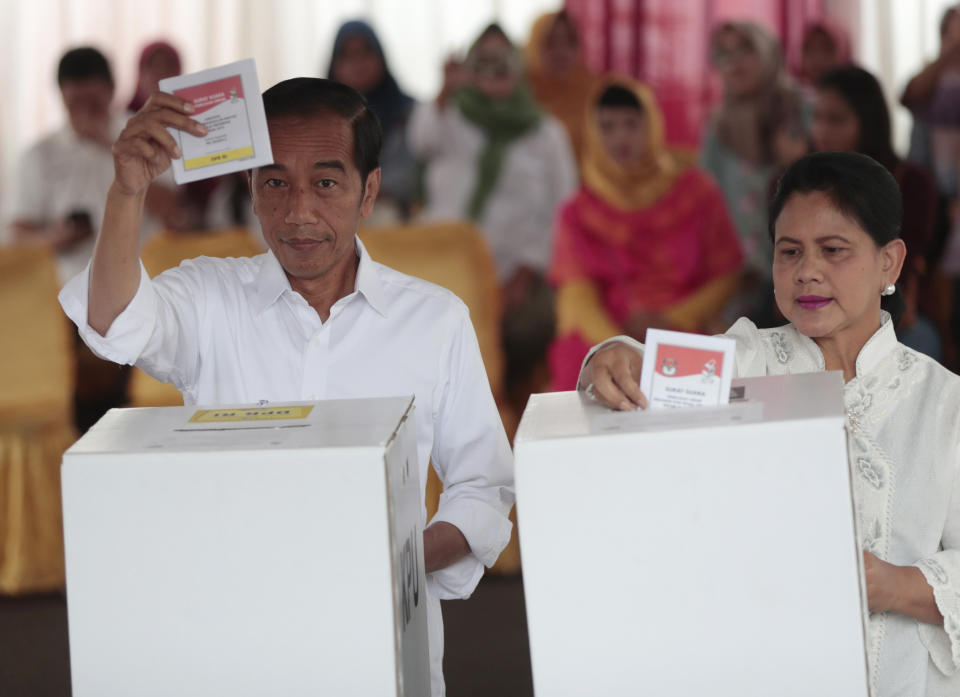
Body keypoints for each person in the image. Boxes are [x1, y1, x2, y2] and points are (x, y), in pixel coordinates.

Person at [57, 77, 514, 696]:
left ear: (369, 191)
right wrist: (127, 192)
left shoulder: (434, 320)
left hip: (381, 641)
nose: (298, 211)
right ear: (249, 188)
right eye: (275, 182)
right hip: (236, 637)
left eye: (326, 183)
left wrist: (395, 560)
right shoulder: (211, 297)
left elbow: (484, 486)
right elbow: (113, 322)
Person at [579, 151, 960, 697]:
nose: (808, 271)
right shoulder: (749, 358)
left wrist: (892, 586)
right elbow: (648, 372)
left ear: (890, 263)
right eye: (790, 252)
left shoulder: (943, 403)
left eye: (833, 250)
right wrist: (612, 355)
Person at [408, 23, 577, 398]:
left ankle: (496, 404)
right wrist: (445, 90)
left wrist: (526, 271)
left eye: (503, 58)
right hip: (447, 263)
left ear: (519, 65)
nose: (495, 68)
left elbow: (564, 211)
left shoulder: (546, 132)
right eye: (484, 59)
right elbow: (421, 142)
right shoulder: (451, 115)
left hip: (516, 270)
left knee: (530, 325)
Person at [548, 77, 743, 389]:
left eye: (631, 124)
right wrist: (616, 344)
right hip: (604, 333)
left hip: (685, 326)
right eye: (607, 127)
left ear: (651, 125)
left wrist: (671, 322)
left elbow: (727, 274)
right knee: (587, 379)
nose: (620, 137)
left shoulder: (696, 192)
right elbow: (576, 296)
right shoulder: (578, 212)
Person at [9, 47, 179, 285]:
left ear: (111, 92)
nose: (84, 112)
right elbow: (17, 235)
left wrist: (111, 145)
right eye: (74, 103)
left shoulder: (146, 135)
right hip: (66, 291)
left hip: (144, 281)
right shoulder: (39, 155)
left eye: (93, 103)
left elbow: (173, 212)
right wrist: (54, 237)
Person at [813, 65, 943, 360]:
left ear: (868, 122)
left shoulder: (910, 182)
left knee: (918, 341)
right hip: (813, 306)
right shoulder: (800, 184)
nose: (821, 131)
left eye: (836, 120)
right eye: (817, 118)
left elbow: (907, 266)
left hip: (890, 309)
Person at [701, 22, 809, 326]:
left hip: (807, 267)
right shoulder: (718, 127)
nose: (733, 62)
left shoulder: (802, 108)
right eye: (723, 54)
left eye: (745, 49)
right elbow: (704, 204)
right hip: (738, 278)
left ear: (768, 51)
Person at [328, 20, 417, 222]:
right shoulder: (318, 117)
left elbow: (414, 173)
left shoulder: (408, 111)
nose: (358, 63)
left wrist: (366, 190)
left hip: (394, 217)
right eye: (348, 56)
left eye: (365, 53)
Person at [526, 10, 596, 166]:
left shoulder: (597, 92)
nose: (561, 51)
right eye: (550, 42)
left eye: (569, 41)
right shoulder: (519, 96)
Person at [127, 41, 181, 113]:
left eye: (168, 67)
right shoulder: (123, 121)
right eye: (154, 66)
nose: (161, 73)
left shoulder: (191, 118)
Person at [796, 20, 851, 87]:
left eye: (826, 49)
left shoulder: (853, 93)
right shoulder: (793, 93)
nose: (817, 58)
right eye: (810, 49)